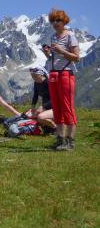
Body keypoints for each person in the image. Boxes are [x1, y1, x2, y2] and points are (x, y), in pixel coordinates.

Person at [44, 9, 80, 151]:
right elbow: (53, 59)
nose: (55, 23)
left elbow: (76, 57)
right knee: (57, 108)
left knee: (67, 107)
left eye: (57, 20)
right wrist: (48, 54)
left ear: (64, 21)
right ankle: (60, 139)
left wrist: (61, 51)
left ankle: (70, 141)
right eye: (52, 21)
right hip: (53, 74)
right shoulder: (53, 37)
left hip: (66, 74)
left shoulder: (70, 36)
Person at [28, 65, 56, 131]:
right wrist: (32, 108)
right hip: (46, 107)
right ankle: (46, 127)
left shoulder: (48, 82)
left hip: (55, 107)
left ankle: (55, 127)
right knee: (30, 114)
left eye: (35, 76)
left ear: (41, 74)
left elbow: (55, 98)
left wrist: (43, 107)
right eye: (32, 76)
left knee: (39, 117)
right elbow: (35, 96)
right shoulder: (36, 83)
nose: (33, 78)